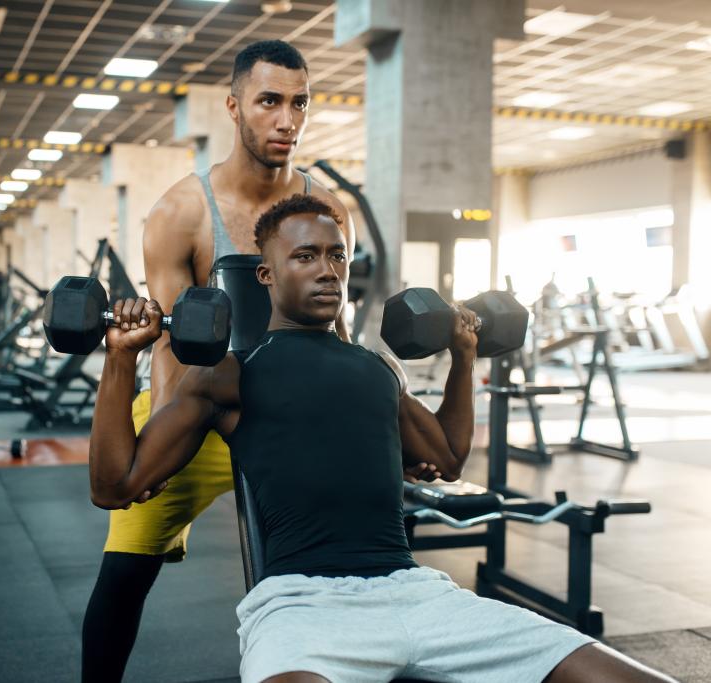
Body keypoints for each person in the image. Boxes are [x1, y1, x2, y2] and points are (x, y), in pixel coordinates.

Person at [88, 194, 676, 683]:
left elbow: (444, 458)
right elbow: (115, 485)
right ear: (266, 274)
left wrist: (463, 358)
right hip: (301, 607)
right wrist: (120, 360)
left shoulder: (376, 370)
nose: (327, 270)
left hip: (418, 593)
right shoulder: (227, 374)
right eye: (305, 257)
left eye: (336, 256)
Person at [81, 39, 364, 681]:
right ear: (234, 107)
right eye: (269, 101)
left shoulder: (328, 210)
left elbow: (335, 326)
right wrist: (167, 441)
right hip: (202, 406)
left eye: (299, 104)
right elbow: (181, 348)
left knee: (335, 566)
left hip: (293, 413)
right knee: (125, 569)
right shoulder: (181, 213)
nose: (286, 120)